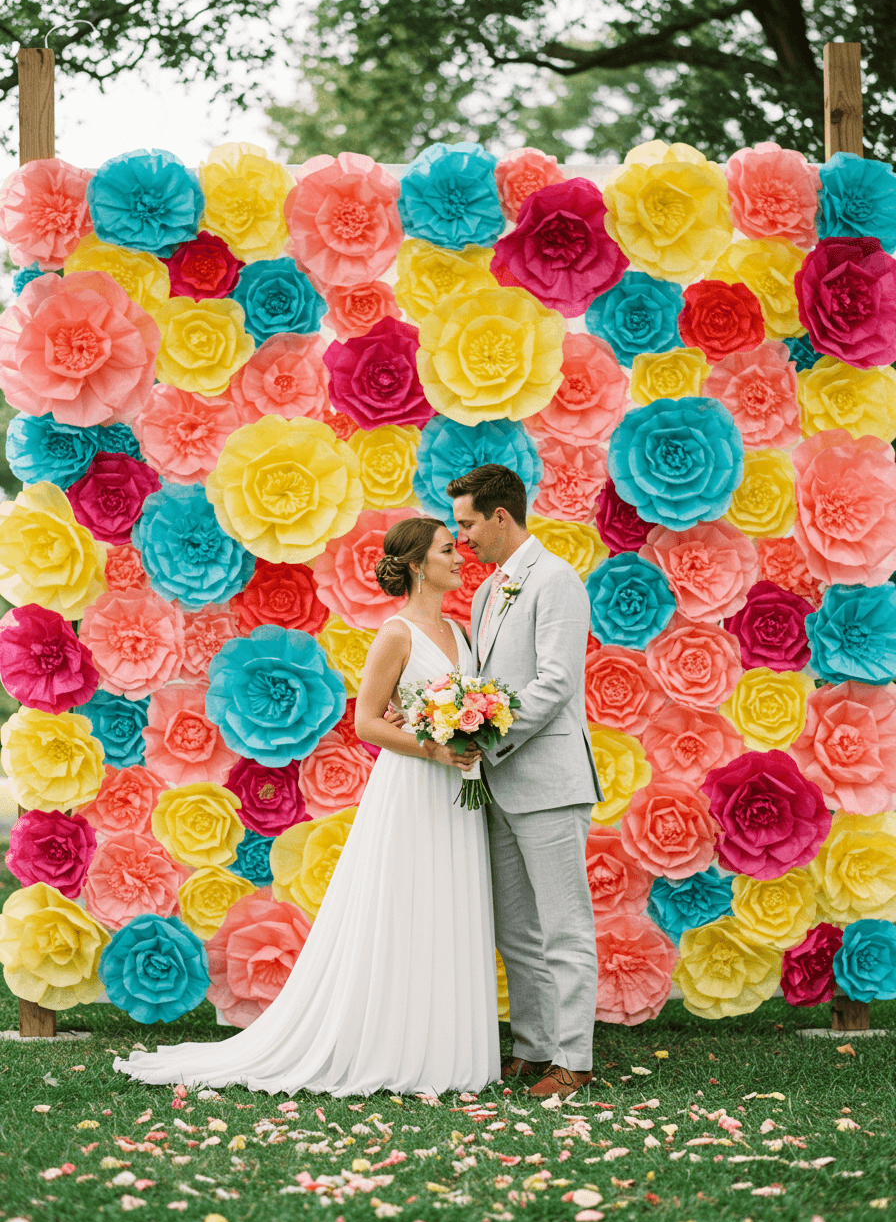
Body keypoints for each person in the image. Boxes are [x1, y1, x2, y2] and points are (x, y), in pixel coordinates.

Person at [113, 516, 500, 1097]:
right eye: (449, 550)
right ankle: (392, 1045)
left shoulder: (460, 633)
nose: (460, 557)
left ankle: (445, 1046)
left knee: (450, 900)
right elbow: (367, 721)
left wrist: (470, 732)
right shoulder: (397, 634)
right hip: (415, 785)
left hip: (458, 789)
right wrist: (432, 746)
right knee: (406, 904)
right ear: (418, 564)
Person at [447, 463, 603, 1101]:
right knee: (516, 929)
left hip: (549, 782)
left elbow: (556, 682)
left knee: (564, 924)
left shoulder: (556, 580)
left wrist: (486, 736)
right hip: (498, 783)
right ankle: (536, 1050)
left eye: (468, 524)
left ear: (501, 516)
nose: (463, 540)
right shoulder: (487, 593)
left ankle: (576, 1060)